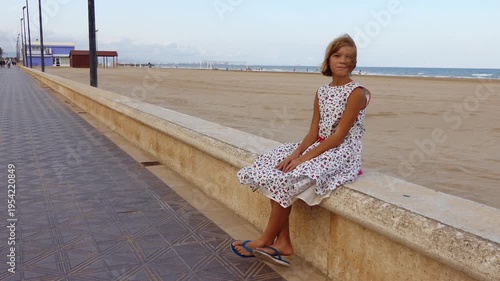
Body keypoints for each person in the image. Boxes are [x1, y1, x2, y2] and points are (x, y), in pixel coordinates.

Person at [231, 34, 371, 267]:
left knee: (288, 177)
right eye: (337, 55)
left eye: (349, 57)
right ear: (328, 59)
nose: (343, 60)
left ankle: (266, 238)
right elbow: (313, 132)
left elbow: (338, 137)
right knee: (273, 167)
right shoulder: (322, 92)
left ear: (354, 63)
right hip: (320, 145)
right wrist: (294, 155)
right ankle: (283, 241)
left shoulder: (356, 93)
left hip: (342, 151)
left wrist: (304, 159)